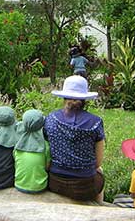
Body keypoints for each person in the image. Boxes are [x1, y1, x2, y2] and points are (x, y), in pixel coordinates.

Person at [44, 75, 105, 203]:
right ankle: (99, 207)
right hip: (85, 187)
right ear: (85, 99)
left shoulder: (51, 119)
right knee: (100, 172)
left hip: (55, 183)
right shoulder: (96, 122)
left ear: (64, 97)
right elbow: (98, 163)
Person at [14, 109, 51, 194]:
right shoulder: (45, 146)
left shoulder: (18, 144)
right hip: (40, 187)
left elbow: (16, 162)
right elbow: (47, 166)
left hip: (19, 185)